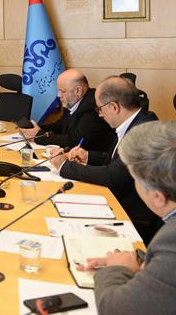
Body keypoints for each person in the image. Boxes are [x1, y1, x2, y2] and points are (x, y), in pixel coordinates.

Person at [75, 121, 176, 314]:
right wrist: (138, 260)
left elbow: (116, 309)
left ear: (158, 197)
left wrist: (116, 268)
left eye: (135, 180)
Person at [49, 76, 163, 243]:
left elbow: (112, 176)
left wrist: (64, 166)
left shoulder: (142, 132)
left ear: (114, 107)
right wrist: (87, 155)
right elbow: (116, 161)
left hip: (131, 213)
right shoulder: (135, 121)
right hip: (118, 199)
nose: (100, 115)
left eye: (100, 109)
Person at [20, 69, 116, 153]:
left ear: (78, 91)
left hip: (93, 161)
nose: (58, 95)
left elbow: (75, 141)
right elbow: (61, 125)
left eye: (63, 91)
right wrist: (35, 129)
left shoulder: (92, 107)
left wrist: (39, 136)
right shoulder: (73, 100)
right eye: (58, 90)